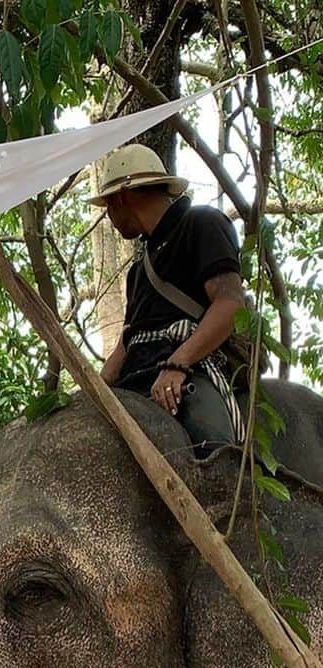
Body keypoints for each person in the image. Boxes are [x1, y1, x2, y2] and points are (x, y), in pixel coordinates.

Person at [91, 143, 247, 452]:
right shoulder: (138, 270)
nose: (109, 216)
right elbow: (126, 343)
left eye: (107, 207)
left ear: (120, 197)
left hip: (192, 376)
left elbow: (230, 304)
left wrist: (179, 364)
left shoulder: (202, 224)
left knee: (212, 451)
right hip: (134, 383)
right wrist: (92, 390)